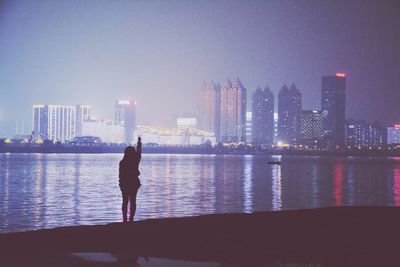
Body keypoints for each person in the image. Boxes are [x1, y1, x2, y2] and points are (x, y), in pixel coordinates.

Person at [119, 137, 142, 222]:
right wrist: (139, 143)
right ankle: (131, 218)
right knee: (133, 201)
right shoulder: (135, 161)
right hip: (134, 183)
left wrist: (121, 184)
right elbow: (139, 153)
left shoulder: (122, 162)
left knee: (125, 201)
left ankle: (124, 219)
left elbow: (121, 175)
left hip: (124, 184)